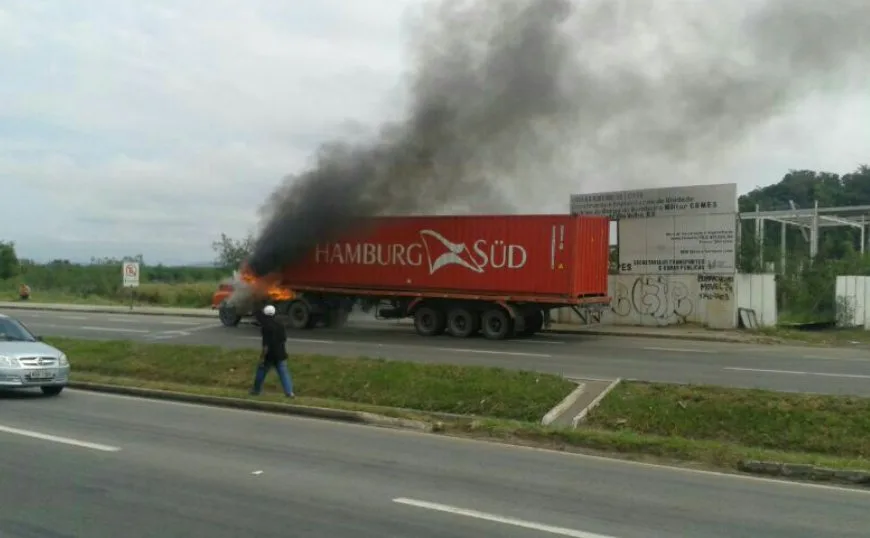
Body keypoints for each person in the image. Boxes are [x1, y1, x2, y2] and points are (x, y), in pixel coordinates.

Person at [249, 304, 295, 397]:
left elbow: (266, 345)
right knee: (284, 374)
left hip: (269, 355)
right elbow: (283, 339)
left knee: (261, 371)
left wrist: (262, 357)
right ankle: (289, 392)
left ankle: (256, 390)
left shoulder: (266, 327)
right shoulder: (280, 325)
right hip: (281, 354)